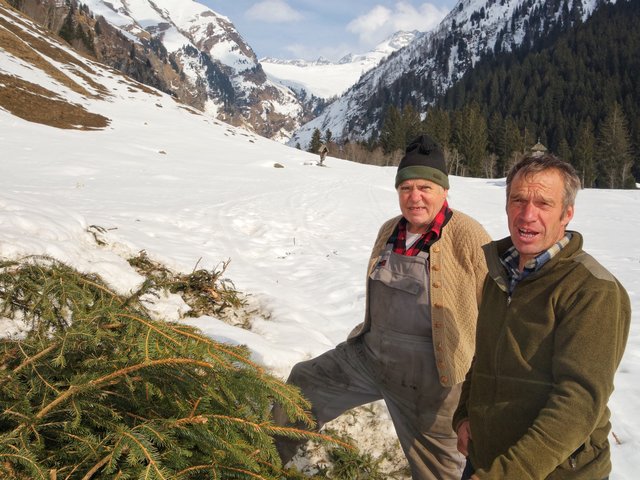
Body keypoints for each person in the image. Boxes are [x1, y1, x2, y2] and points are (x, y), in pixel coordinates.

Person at [273, 135, 491, 479]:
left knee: (441, 470)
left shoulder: (468, 235)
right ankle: (261, 463)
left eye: (425, 187)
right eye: (405, 188)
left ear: (444, 191)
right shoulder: (390, 230)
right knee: (304, 382)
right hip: (372, 357)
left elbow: (495, 311)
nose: (414, 197)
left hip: (434, 380)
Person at [453, 154, 631, 480]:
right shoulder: (498, 274)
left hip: (553, 472)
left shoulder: (592, 290)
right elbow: (484, 357)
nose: (527, 214)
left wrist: (508, 474)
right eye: (518, 199)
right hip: (485, 460)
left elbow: (578, 402)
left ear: (567, 213)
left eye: (543, 203)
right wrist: (465, 416)